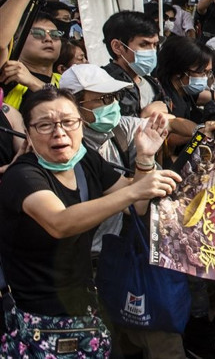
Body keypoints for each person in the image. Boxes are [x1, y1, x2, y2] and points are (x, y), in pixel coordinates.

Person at [0, 87, 180, 358]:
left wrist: (144, 159)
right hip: (40, 321)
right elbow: (59, 223)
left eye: (68, 122)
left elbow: (135, 206)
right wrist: (135, 190)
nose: (59, 132)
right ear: (28, 132)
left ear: (81, 125)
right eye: (45, 125)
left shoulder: (87, 161)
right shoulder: (23, 176)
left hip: (86, 307)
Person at [101, 11, 165, 118]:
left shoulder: (152, 83)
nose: (152, 51)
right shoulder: (105, 87)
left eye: (155, 45)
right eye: (144, 44)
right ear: (117, 47)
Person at [0, 14, 63, 110]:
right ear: (17, 40)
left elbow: (77, 114)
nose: (49, 39)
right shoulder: (6, 74)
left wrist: (34, 82)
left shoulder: (66, 80)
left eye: (55, 35)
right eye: (38, 33)